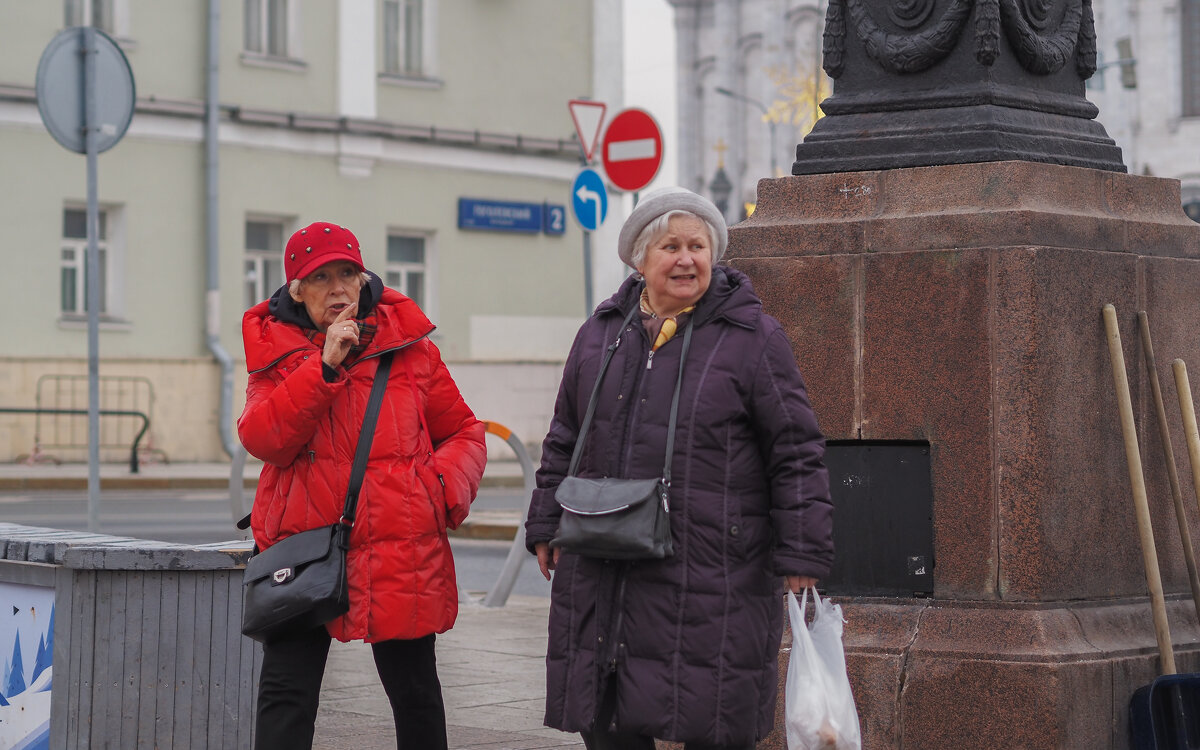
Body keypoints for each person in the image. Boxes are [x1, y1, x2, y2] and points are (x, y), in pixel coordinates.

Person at [525, 187, 834, 750]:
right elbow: (565, 437)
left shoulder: (753, 338)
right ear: (640, 261)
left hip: (714, 569)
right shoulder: (599, 335)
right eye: (671, 246)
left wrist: (802, 553)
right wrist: (545, 522)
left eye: (698, 246)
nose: (686, 259)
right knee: (609, 717)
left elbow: (795, 450)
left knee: (710, 715)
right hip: (604, 565)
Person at [238, 221, 486, 750]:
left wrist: (436, 490)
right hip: (302, 547)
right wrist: (323, 367)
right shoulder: (276, 356)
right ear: (295, 290)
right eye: (320, 277)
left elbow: (464, 430)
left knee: (415, 692)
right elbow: (265, 439)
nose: (337, 289)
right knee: (287, 695)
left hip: (400, 543)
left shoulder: (411, 350)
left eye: (347, 273)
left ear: (363, 277)